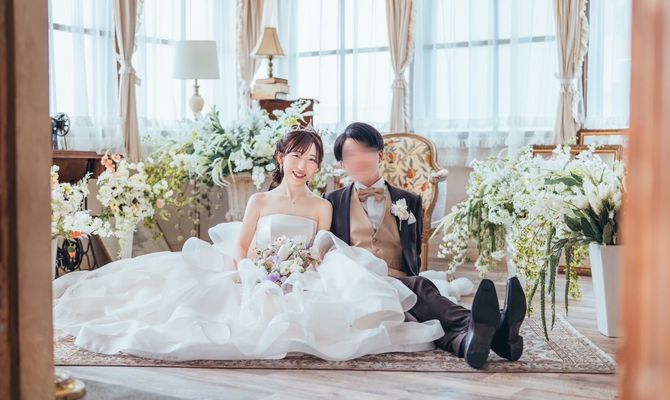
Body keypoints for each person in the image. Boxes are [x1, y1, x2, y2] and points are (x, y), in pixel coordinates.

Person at [53, 129, 445, 362]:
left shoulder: (322, 206)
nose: (303, 166)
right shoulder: (260, 201)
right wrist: (250, 270)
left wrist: (297, 270)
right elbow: (241, 246)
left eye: (312, 160)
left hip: (300, 277)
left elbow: (319, 251)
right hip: (252, 271)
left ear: (318, 167)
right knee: (187, 310)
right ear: (281, 157)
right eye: (297, 156)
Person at [324, 122, 527, 368]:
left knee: (422, 311)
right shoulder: (331, 202)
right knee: (420, 287)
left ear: (380, 155)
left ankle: (467, 342)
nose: (359, 159)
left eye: (365, 151)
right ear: (342, 164)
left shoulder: (409, 200)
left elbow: (414, 250)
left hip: (399, 278)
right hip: (359, 282)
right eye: (350, 154)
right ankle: (495, 326)